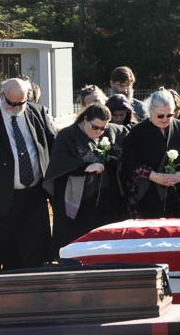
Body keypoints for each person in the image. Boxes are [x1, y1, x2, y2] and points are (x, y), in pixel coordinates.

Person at [0, 78, 57, 303]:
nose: (15, 107)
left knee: (32, 251)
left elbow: (54, 145)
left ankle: (32, 299)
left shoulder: (38, 112)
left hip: (33, 197)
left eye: (20, 103)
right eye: (10, 102)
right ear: (1, 94)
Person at [45, 104, 128, 252]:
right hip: (78, 202)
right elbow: (59, 161)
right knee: (77, 243)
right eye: (95, 127)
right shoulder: (67, 136)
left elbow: (128, 135)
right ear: (85, 119)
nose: (99, 132)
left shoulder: (110, 132)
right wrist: (84, 167)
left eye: (103, 128)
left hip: (105, 200)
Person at [120, 88, 180, 219]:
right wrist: (153, 175)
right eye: (160, 116)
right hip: (148, 196)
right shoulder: (137, 132)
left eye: (169, 115)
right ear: (150, 111)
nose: (165, 119)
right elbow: (129, 162)